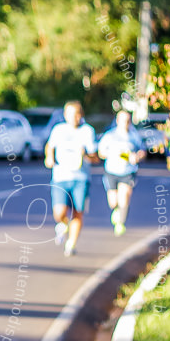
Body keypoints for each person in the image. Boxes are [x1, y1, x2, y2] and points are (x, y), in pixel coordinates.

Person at [44, 100, 97, 257]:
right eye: (69, 114)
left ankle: (71, 244)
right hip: (61, 176)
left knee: (77, 212)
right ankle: (62, 223)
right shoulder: (58, 130)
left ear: (81, 115)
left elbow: (95, 157)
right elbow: (50, 146)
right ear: (65, 115)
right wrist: (49, 157)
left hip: (81, 178)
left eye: (76, 114)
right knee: (59, 212)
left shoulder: (88, 131)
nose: (73, 117)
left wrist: (85, 154)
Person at [97, 110, 145, 236]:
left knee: (125, 197)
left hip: (128, 171)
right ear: (117, 121)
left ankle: (120, 223)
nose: (126, 123)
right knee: (113, 201)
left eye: (128, 120)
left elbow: (142, 151)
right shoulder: (110, 136)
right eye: (123, 120)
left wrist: (138, 157)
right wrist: (113, 155)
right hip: (112, 171)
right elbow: (101, 153)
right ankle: (116, 210)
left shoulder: (134, 136)